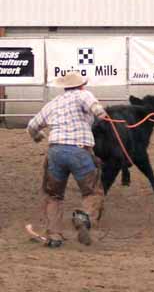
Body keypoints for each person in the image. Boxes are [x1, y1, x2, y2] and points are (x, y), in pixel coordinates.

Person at [27, 72, 107, 248]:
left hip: (55, 152)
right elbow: (94, 107)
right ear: (81, 85)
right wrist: (100, 113)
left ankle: (54, 236)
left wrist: (39, 136)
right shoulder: (83, 94)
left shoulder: (53, 103)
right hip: (80, 151)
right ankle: (84, 216)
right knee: (92, 192)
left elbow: (32, 125)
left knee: (53, 195)